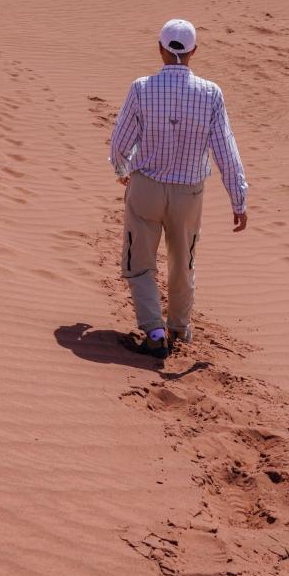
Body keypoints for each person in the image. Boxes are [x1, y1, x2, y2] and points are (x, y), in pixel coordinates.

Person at [109, 18, 248, 359]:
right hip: (189, 194)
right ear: (193, 52)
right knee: (183, 261)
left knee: (139, 261)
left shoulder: (141, 88)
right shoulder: (211, 93)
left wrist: (123, 170)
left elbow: (119, 143)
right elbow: (225, 151)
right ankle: (178, 328)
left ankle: (154, 331)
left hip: (147, 188)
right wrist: (239, 199)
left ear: (159, 48)